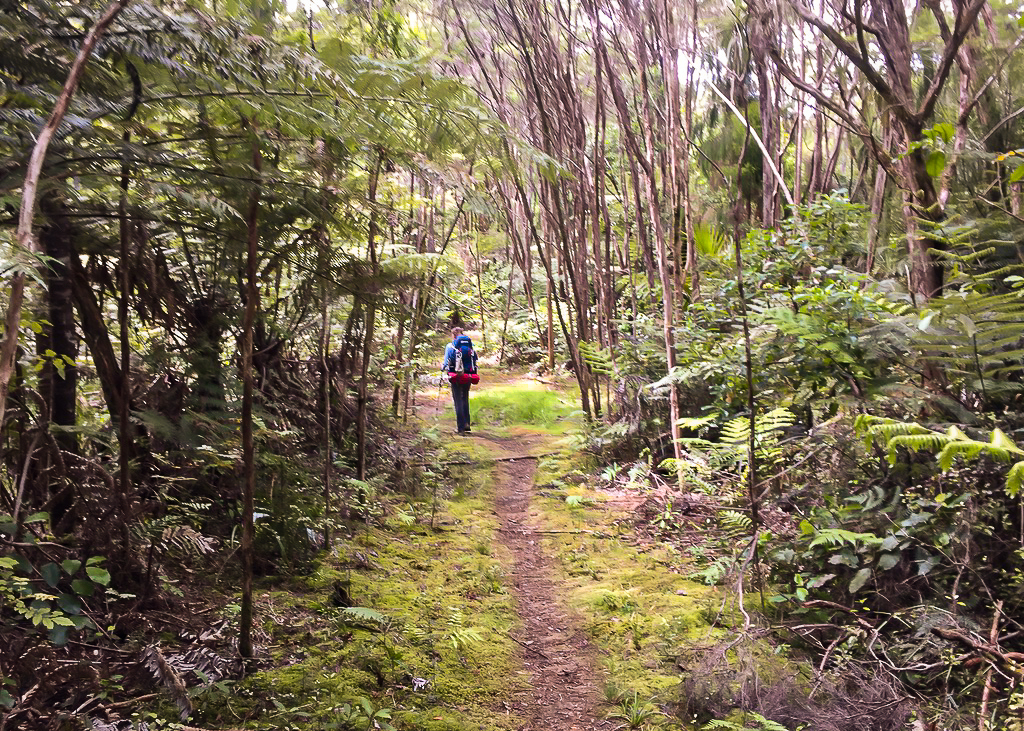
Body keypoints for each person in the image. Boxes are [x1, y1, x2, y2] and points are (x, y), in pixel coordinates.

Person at [442, 327, 478, 435]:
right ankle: (467, 423)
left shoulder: (450, 346)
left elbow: (446, 362)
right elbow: (475, 358)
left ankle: (461, 428)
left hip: (456, 376)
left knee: (458, 401)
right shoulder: (470, 346)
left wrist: (443, 369)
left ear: (453, 335)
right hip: (468, 376)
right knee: (464, 398)